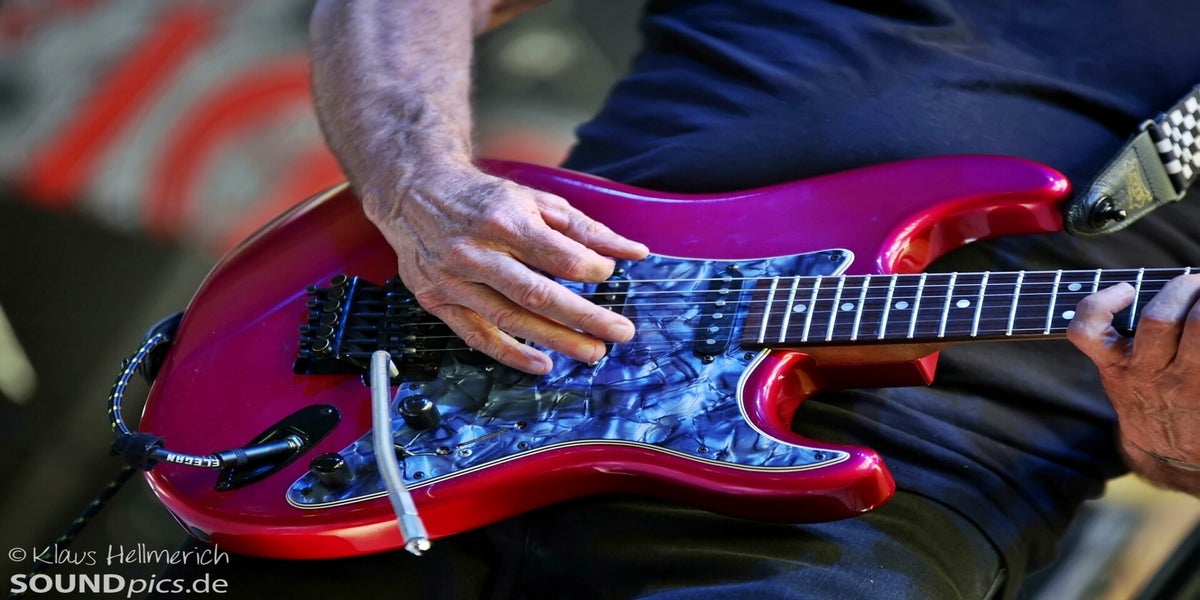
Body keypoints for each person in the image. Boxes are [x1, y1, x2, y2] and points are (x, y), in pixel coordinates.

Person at [156, 1, 1200, 598]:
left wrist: (1178, 425)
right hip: (453, 359)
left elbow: (1177, 461)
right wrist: (417, 184)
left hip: (890, 498)